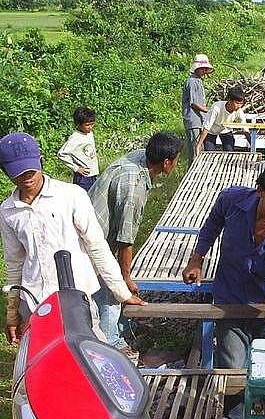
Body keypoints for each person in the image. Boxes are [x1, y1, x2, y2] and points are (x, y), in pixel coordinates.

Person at [0, 132, 145, 348]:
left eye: (31, 171)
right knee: (44, 357)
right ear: (5, 172)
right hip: (35, 300)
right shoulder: (8, 211)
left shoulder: (71, 196)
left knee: (91, 353)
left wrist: (121, 292)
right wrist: (13, 310)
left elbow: (97, 246)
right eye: (19, 174)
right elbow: (14, 263)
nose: (27, 178)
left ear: (41, 161)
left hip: (78, 298)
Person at [182, 156, 265, 368]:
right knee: (231, 366)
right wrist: (197, 258)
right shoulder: (231, 200)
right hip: (230, 298)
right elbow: (213, 224)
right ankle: (232, 401)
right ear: (261, 190)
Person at [89, 132, 182, 349]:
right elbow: (125, 238)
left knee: (110, 287)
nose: (177, 163)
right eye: (176, 159)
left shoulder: (141, 157)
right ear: (166, 162)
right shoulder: (133, 187)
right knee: (112, 289)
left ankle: (119, 328)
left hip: (97, 230)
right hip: (93, 241)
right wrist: (126, 277)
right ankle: (111, 344)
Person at [194, 86, 249, 154]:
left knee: (230, 152)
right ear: (229, 100)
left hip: (226, 130)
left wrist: (252, 145)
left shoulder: (239, 111)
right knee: (209, 153)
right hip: (211, 131)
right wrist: (198, 145)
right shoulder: (216, 107)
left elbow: (245, 129)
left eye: (241, 104)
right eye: (237, 103)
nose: (239, 106)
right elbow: (206, 127)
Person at [182, 53, 214, 166]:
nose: (204, 71)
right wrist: (209, 110)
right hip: (193, 120)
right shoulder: (192, 81)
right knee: (194, 150)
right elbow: (194, 103)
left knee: (200, 149)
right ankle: (191, 175)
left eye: (205, 69)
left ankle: (199, 171)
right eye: (202, 69)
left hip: (200, 120)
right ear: (197, 68)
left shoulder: (198, 81)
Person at [58, 106, 99, 192]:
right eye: (87, 125)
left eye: (92, 124)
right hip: (83, 178)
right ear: (78, 124)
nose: (90, 127)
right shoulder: (75, 138)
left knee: (93, 198)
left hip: (93, 174)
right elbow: (62, 154)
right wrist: (76, 168)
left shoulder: (89, 133)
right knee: (82, 199)